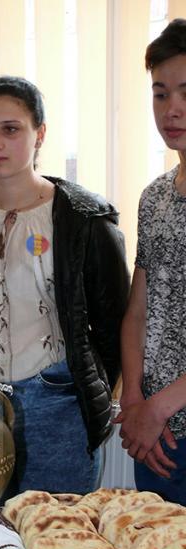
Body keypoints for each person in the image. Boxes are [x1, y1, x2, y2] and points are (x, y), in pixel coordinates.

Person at [0, 76, 129, 498]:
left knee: (56, 538)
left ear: (39, 133)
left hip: (56, 405)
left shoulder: (84, 219)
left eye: (11, 129)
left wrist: (85, 395)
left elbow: (114, 327)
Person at [116, 19, 186, 503]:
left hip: (165, 414)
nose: (172, 109)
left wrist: (158, 407)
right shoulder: (155, 196)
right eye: (160, 94)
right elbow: (138, 312)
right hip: (160, 437)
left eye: (185, 91)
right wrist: (134, 399)